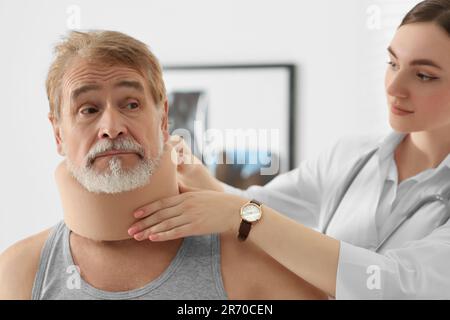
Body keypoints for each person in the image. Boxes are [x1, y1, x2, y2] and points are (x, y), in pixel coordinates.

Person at [128, 0, 450, 299]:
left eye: (423, 75)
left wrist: (237, 214)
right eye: (392, 63)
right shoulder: (350, 156)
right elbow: (260, 208)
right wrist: (199, 177)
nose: (394, 87)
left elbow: (397, 283)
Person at [0, 30, 327, 300]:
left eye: (131, 104)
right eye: (88, 109)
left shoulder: (247, 259)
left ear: (164, 121)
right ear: (58, 133)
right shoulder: (21, 272)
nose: (112, 127)